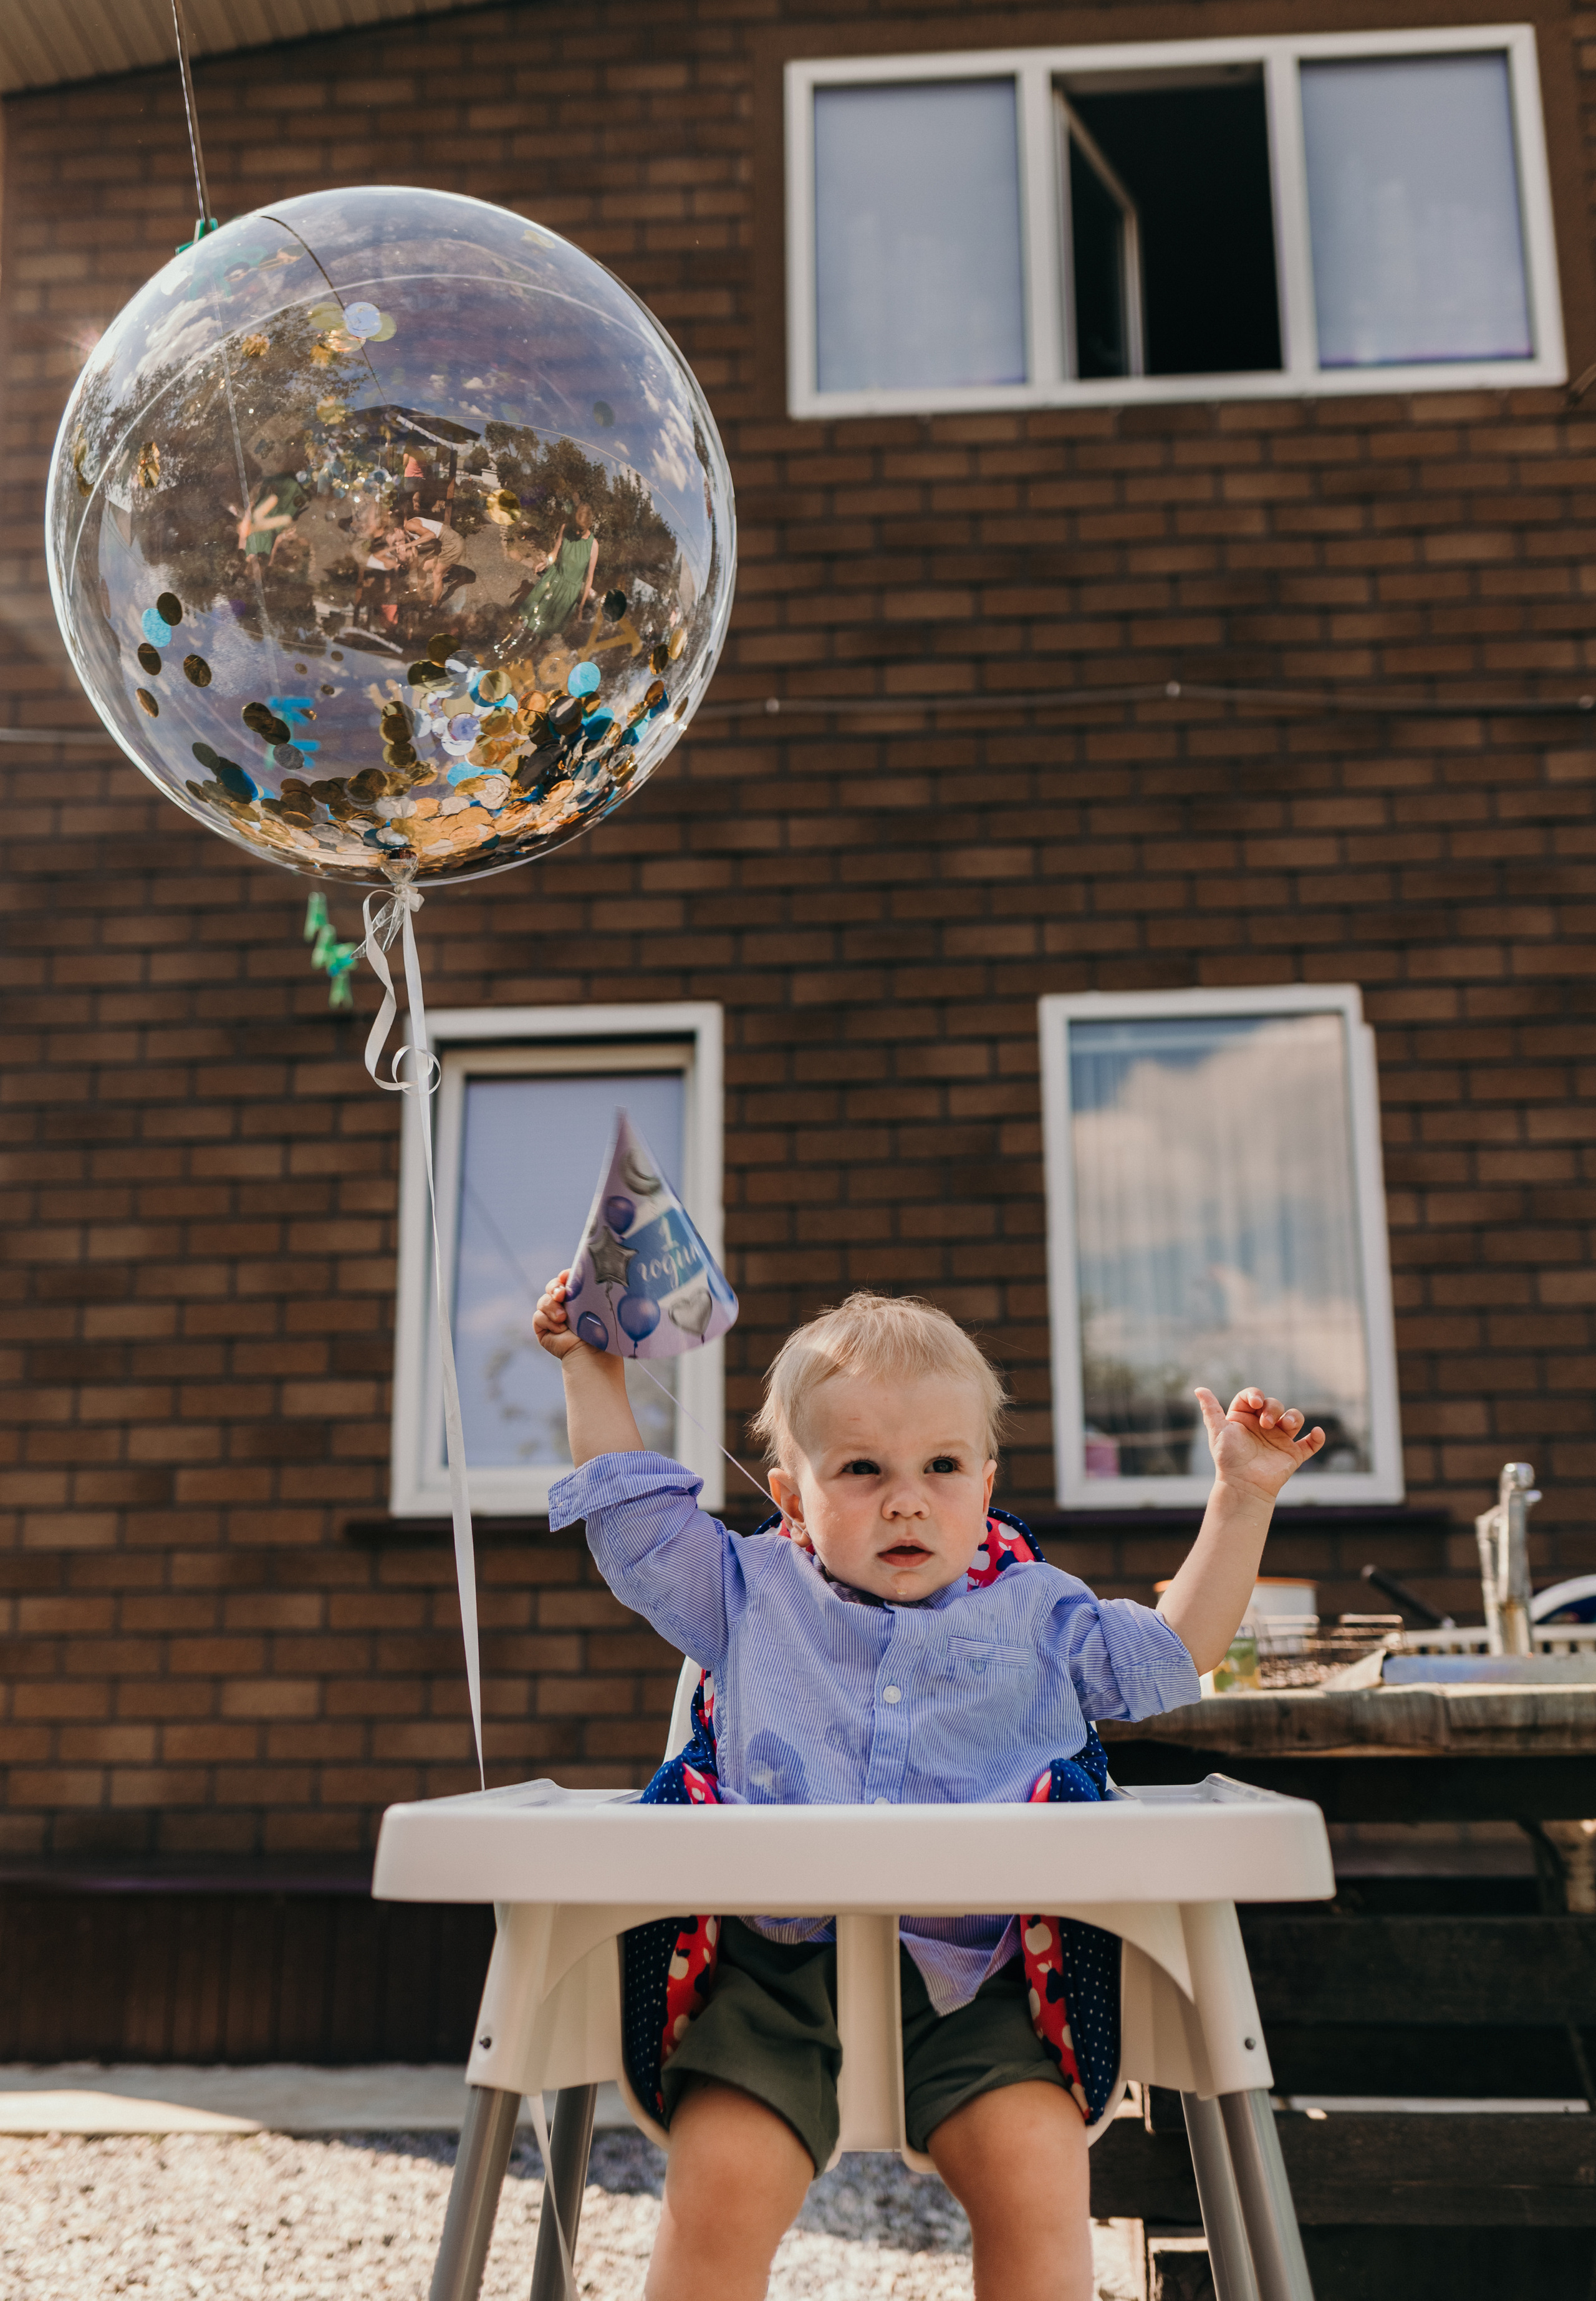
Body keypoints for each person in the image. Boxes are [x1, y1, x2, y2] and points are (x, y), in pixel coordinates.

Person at [532, 1281, 1324, 2301]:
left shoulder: (1040, 1615)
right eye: (861, 1469)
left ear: (985, 1485)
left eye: (940, 1467)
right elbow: (636, 1529)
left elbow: (1177, 1651)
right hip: (772, 1975)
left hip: (984, 1982)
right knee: (719, 2186)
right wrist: (592, 1367)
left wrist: (1243, 1497)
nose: (906, 1497)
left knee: (1040, 2172)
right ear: (790, 1498)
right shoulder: (744, 1594)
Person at [518, 501, 597, 640]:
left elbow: (589, 578)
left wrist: (581, 607)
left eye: (582, 529)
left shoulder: (593, 546)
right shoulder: (565, 528)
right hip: (553, 579)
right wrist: (545, 562)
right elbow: (554, 553)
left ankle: (532, 653)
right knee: (529, 619)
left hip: (568, 594)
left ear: (589, 524)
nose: (577, 532)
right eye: (576, 528)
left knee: (546, 631)